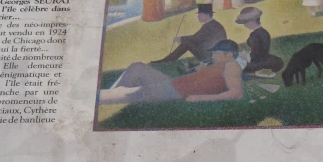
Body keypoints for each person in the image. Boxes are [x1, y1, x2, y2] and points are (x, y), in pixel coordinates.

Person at [101, 40, 244, 104]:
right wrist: (199, 70)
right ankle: (115, 93)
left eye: (217, 53)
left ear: (229, 55)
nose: (213, 56)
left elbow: (236, 93)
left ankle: (112, 95)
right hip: (172, 83)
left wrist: (201, 98)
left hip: (173, 91)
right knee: (137, 66)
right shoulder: (219, 65)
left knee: (111, 95)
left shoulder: (231, 66)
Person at [151, 4, 227, 63]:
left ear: (207, 15)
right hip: (213, 53)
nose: (198, 16)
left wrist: (180, 38)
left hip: (211, 56)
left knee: (187, 42)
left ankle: (167, 60)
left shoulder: (210, 25)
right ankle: (168, 59)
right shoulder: (213, 24)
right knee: (187, 42)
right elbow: (198, 38)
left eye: (200, 14)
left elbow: (196, 38)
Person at [235, 7, 284, 74]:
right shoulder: (264, 32)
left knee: (238, 63)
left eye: (245, 22)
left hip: (258, 62)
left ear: (252, 21)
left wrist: (245, 56)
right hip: (266, 58)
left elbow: (255, 55)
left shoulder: (254, 35)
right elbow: (260, 50)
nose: (244, 25)